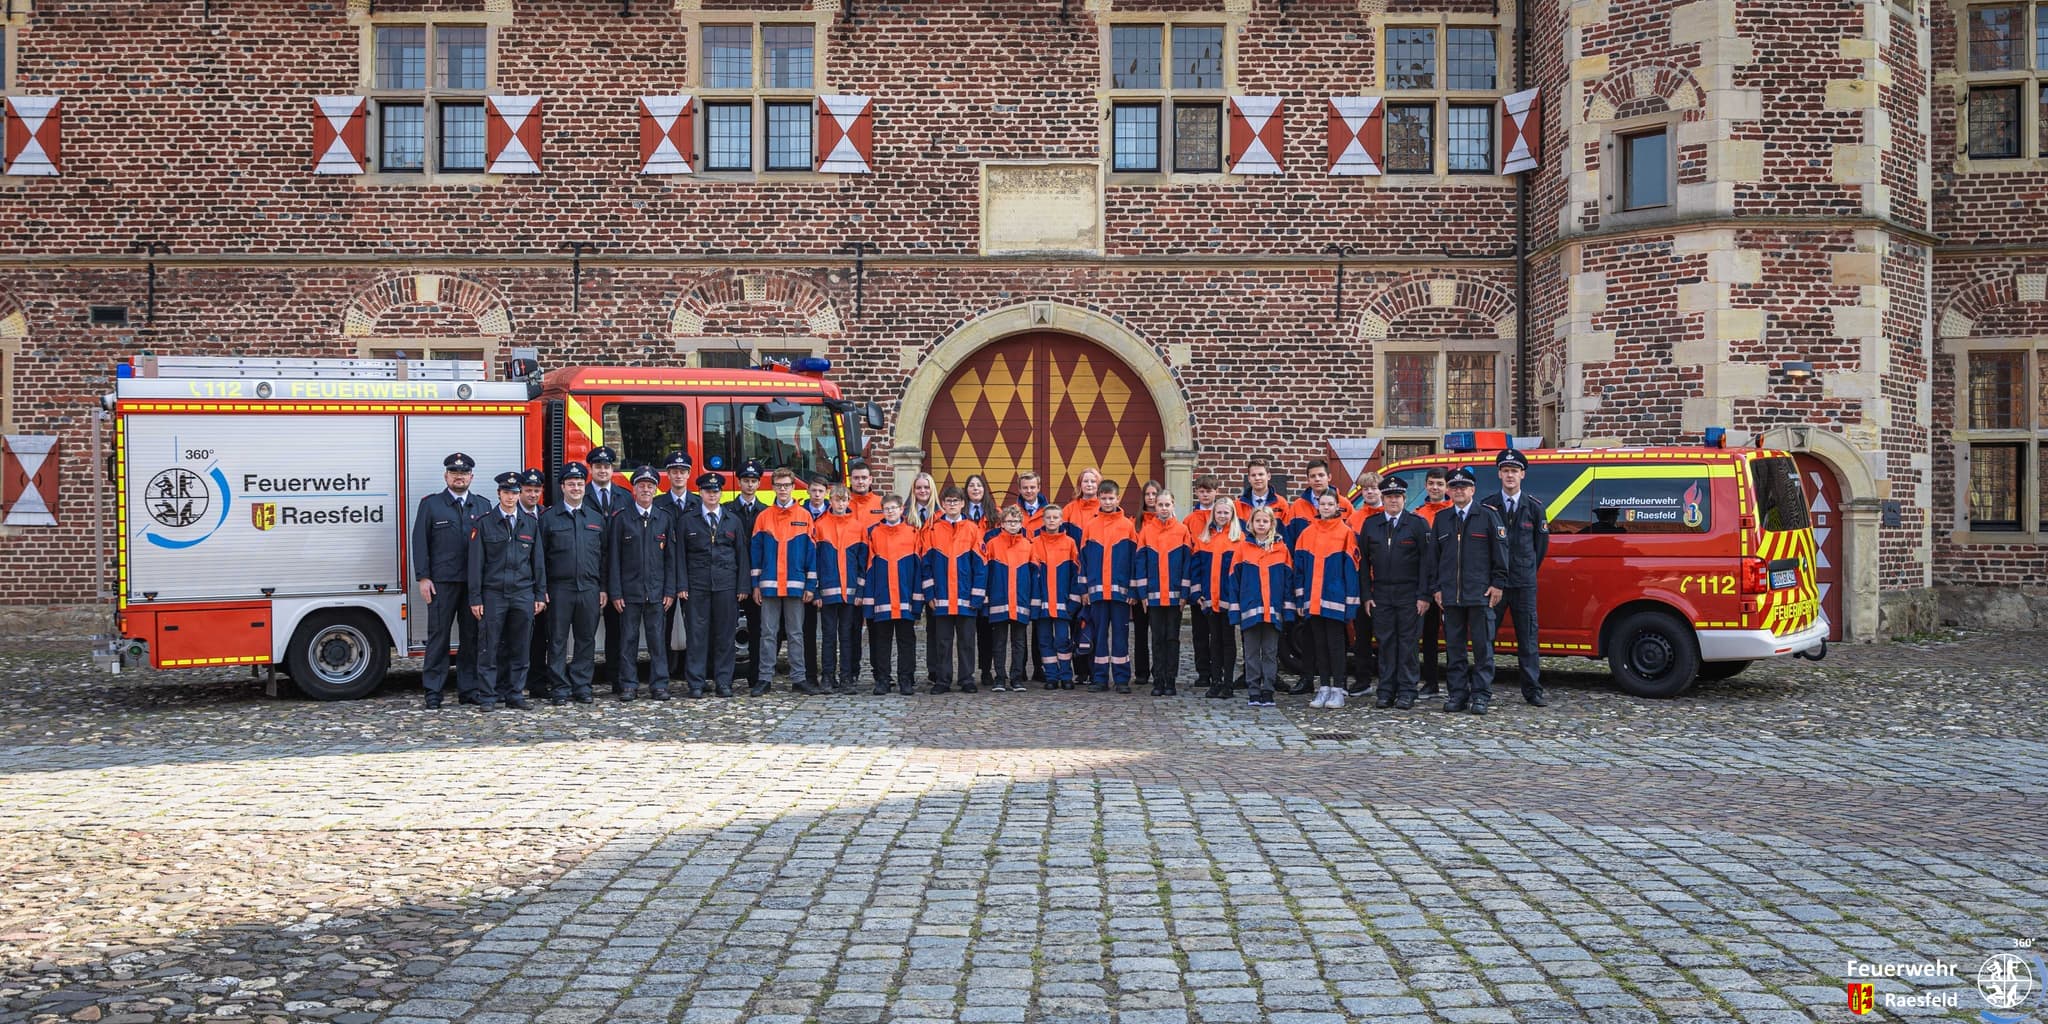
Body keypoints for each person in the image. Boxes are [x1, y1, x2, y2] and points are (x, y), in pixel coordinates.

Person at [1426, 466, 1508, 715]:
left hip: (1480, 593)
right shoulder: (1442, 519)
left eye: (1463, 487)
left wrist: (1498, 583)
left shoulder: (1488, 516)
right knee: (1454, 649)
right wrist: (1436, 588)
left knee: (1483, 649)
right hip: (1451, 595)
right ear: (1449, 491)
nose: (1458, 491)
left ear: (1473, 489)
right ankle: (1458, 694)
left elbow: (1501, 554)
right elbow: (1434, 559)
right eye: (1454, 487)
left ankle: (1481, 695)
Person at [412, 452, 485, 709]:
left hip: (473, 585)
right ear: (446, 476)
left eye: (463, 473)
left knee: (472, 638)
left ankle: (469, 689)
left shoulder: (482, 505)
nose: (459, 477)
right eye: (454, 473)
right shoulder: (431, 505)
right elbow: (420, 542)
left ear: (471, 477)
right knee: (438, 638)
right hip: (441, 583)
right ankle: (433, 691)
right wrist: (423, 577)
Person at [468, 471, 546, 711]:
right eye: (506, 492)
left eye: (514, 493)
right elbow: (475, 564)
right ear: (499, 494)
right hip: (493, 594)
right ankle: (489, 696)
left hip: (522, 593)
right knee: (489, 648)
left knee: (520, 647)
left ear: (519, 494)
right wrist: (475, 597)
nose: (510, 497)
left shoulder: (530, 524)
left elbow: (538, 562)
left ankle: (515, 694)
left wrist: (540, 594)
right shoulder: (484, 523)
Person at [1482, 449, 1550, 706]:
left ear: (1522, 474)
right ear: (1499, 473)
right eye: (1505, 470)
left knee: (1528, 638)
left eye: (1514, 471)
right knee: (1486, 637)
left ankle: (1532, 690)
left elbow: (1540, 548)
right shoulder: (1488, 506)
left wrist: (1525, 570)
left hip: (1523, 583)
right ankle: (1483, 690)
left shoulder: (1534, 507)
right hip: (1494, 585)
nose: (1510, 475)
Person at [608, 467, 680, 701]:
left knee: (658, 641)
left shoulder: (664, 518)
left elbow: (671, 559)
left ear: (655, 489)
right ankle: (628, 685)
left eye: (650, 485)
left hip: (657, 592)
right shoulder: (621, 519)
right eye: (641, 485)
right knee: (627, 640)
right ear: (634, 489)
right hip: (629, 592)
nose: (646, 489)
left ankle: (659, 684)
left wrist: (670, 590)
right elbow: (614, 559)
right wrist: (616, 592)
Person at [539, 462, 607, 705]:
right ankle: (559, 687)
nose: (576, 488)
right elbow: (540, 558)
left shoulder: (596, 519)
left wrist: (603, 588)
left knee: (586, 640)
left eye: (580, 484)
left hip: (589, 588)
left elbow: (604, 556)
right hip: (560, 589)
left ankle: (582, 686)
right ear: (562, 487)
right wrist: (542, 589)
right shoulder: (548, 518)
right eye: (571, 484)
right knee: (557, 640)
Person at [1359, 477, 1430, 710]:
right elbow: (1363, 563)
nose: (1393, 501)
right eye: (1389, 496)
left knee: (1408, 644)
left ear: (1404, 498)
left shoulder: (1417, 524)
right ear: (1383, 498)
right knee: (1386, 642)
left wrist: (1423, 595)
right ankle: (1386, 690)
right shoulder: (1371, 524)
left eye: (1397, 497)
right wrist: (1367, 596)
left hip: (1409, 592)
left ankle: (1407, 690)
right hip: (1381, 592)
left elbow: (1426, 563)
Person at [682, 471, 750, 698]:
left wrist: (743, 586)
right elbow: (679, 556)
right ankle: (696, 683)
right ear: (700, 493)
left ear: (721, 493)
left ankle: (723, 681)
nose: (712, 495)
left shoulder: (733, 520)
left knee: (725, 636)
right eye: (708, 491)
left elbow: (742, 554)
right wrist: (682, 585)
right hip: (697, 586)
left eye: (716, 491)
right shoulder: (688, 520)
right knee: (697, 636)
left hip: (726, 585)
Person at [751, 466, 818, 695]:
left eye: (786, 485)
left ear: (793, 487)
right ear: (773, 487)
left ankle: (799, 678)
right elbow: (756, 554)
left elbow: (812, 554)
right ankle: (764, 678)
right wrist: (755, 585)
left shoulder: (804, 516)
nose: (783, 489)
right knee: (768, 634)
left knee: (796, 634)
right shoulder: (763, 517)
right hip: (769, 585)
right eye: (778, 485)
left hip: (795, 585)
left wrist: (811, 585)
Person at [1294, 490, 1361, 710]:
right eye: (1322, 503)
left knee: (1336, 645)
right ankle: (1323, 686)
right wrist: (1300, 598)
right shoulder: (1307, 533)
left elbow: (1352, 569)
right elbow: (1300, 569)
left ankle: (1338, 688)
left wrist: (1351, 602)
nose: (1325, 507)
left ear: (1337, 507)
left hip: (1335, 598)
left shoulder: (1345, 533)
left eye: (1330, 504)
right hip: (1313, 599)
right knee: (1319, 645)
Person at [1077, 480, 1139, 693]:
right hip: (1096, 593)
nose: (1107, 501)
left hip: (1122, 595)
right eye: (1103, 498)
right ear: (1099, 499)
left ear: (1118, 498)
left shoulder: (1128, 526)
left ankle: (1122, 679)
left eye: (1111, 498)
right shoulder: (1091, 526)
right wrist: (1083, 590)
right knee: (1099, 636)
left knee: (1121, 636)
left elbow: (1134, 561)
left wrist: (1133, 590)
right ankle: (1100, 678)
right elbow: (1082, 561)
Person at [921, 485, 985, 694]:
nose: (952, 505)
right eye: (948, 501)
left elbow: (981, 566)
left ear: (962, 503)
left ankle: (967, 679)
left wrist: (977, 595)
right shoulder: (933, 529)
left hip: (966, 597)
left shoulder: (973, 529)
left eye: (955, 501)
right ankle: (943, 680)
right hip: (941, 597)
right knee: (943, 641)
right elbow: (926, 565)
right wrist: (929, 594)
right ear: (943, 504)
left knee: (967, 641)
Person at [1227, 505, 1293, 708]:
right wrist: (1235, 610)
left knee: (1271, 652)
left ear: (1272, 524)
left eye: (1265, 521)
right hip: (1250, 611)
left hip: (1273, 611)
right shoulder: (1242, 548)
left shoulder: (1282, 549)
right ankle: (1253, 690)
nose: (1261, 524)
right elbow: (1233, 581)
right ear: (1251, 524)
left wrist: (1288, 610)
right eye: (1258, 521)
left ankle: (1268, 690)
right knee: (1251, 653)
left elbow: (1289, 581)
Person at [861, 495, 924, 696]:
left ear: (901, 509)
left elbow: (918, 569)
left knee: (906, 640)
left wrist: (917, 600)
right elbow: (868, 569)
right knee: (881, 641)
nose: (890, 511)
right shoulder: (873, 533)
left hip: (905, 598)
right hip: (882, 598)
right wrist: (868, 603)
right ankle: (882, 680)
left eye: (893, 508)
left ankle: (906, 679)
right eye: (886, 508)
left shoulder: (913, 533)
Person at [810, 484, 868, 695]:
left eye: (844, 500)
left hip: (851, 592)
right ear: (830, 500)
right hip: (827, 592)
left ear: (848, 502)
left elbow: (863, 563)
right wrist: (815, 592)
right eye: (837, 499)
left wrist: (860, 592)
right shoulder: (820, 525)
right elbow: (813, 561)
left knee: (847, 636)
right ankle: (827, 676)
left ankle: (846, 677)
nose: (840, 503)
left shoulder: (858, 526)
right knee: (827, 636)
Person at [584, 447, 632, 695]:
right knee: (585, 630)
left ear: (613, 469)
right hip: (590, 569)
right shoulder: (580, 495)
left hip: (619, 572)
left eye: (607, 466)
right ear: (590, 469)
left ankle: (618, 678)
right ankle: (582, 682)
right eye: (598, 466)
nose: (603, 470)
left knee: (618, 630)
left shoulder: (625, 497)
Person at [1135, 488, 1191, 697]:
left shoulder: (1182, 531)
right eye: (1160, 505)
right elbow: (1140, 565)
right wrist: (1142, 594)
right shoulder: (1147, 531)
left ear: (1173, 506)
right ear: (1154, 507)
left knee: (1172, 639)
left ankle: (1171, 680)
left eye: (1167, 505)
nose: (1164, 508)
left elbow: (1187, 565)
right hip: (1154, 597)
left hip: (1176, 596)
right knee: (1157, 638)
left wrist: (1185, 593)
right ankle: (1158, 680)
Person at [1187, 497, 1241, 700]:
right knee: (1214, 641)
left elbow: (1241, 573)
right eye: (1219, 512)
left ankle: (1228, 683)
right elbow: (1196, 570)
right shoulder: (1204, 539)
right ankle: (1215, 680)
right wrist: (1197, 594)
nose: (1222, 516)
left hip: (1229, 600)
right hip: (1210, 599)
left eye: (1226, 513)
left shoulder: (1239, 539)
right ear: (1213, 514)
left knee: (1228, 641)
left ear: (1232, 515)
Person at [981, 503, 1035, 692]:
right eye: (1009, 521)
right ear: (1002, 524)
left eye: (1016, 521)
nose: (1013, 524)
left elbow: (1034, 575)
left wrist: (1032, 601)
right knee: (999, 642)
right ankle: (1000, 678)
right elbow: (985, 574)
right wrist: (986, 599)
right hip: (999, 601)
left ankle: (1016, 678)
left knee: (1019, 642)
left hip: (1020, 601)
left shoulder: (1029, 546)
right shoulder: (992, 544)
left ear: (1022, 523)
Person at [1028, 502, 1082, 691]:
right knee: (1044, 641)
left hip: (1062, 603)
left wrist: (1073, 601)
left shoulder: (1069, 543)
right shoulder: (1034, 543)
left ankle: (1066, 675)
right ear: (1042, 520)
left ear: (1061, 520)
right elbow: (1030, 576)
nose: (1051, 521)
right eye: (1048, 518)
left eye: (1055, 517)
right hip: (1041, 604)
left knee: (1062, 640)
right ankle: (1051, 676)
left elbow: (1077, 574)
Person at [726, 460, 768, 695]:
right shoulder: (728, 510)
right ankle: (727, 677)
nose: (749, 485)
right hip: (732, 578)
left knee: (757, 630)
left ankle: (756, 678)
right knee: (726, 630)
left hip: (756, 580)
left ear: (758, 484)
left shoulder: (765, 512)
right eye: (746, 481)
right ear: (739, 482)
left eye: (753, 481)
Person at [1412, 466, 1453, 696]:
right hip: (1427, 582)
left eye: (1439, 484)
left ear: (1446, 486)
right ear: (1425, 486)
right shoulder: (1419, 514)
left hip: (1449, 581)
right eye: (1431, 483)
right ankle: (1430, 681)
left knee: (1453, 634)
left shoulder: (1452, 511)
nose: (1435, 488)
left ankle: (1456, 681)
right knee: (1428, 635)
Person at [1343, 469, 1384, 697]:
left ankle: (1388, 679)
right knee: (1361, 635)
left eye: (1374, 488)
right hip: (1361, 582)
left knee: (1385, 635)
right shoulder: (1354, 518)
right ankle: (1362, 679)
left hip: (1383, 582)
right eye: (1366, 489)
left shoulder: (1388, 513)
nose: (1369, 492)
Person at [660, 450, 697, 680]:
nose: (678, 475)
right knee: (661, 630)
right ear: (668, 475)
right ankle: (662, 676)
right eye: (674, 471)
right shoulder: (658, 504)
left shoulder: (699, 503)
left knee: (695, 629)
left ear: (689, 474)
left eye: (682, 471)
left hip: (692, 576)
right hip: (663, 575)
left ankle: (693, 675)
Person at [516, 467, 550, 700]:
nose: (532, 494)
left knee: (541, 638)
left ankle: (537, 684)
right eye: (528, 490)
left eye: (536, 490)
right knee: (514, 638)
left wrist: (544, 589)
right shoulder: (510, 514)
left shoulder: (546, 515)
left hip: (541, 588)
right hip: (517, 587)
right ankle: (511, 685)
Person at [800, 471, 834, 690]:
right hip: (804, 581)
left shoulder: (835, 514)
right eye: (813, 491)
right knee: (806, 630)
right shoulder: (800, 513)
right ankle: (810, 674)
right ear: (807, 491)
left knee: (831, 632)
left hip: (830, 579)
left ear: (827, 492)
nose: (817, 495)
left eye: (821, 491)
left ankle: (831, 675)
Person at [963, 473, 997, 688]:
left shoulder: (995, 516)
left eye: (979, 485)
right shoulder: (960, 515)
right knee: (967, 631)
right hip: (966, 578)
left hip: (990, 577)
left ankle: (986, 670)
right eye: (971, 485)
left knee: (986, 631)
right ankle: (967, 673)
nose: (975, 488)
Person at [1131, 479, 1163, 685]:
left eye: (1154, 494)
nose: (1150, 498)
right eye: (1147, 495)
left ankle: (1158, 669)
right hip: (1139, 585)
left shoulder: (1169, 522)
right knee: (1140, 632)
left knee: (1159, 632)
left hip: (1160, 586)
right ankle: (1142, 671)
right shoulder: (1135, 523)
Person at [1235, 456, 1291, 534]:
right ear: (1249, 478)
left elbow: (1287, 533)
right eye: (1253, 475)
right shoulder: (1238, 505)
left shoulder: (1281, 503)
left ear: (1268, 476)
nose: (1257, 478)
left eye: (1261, 474)